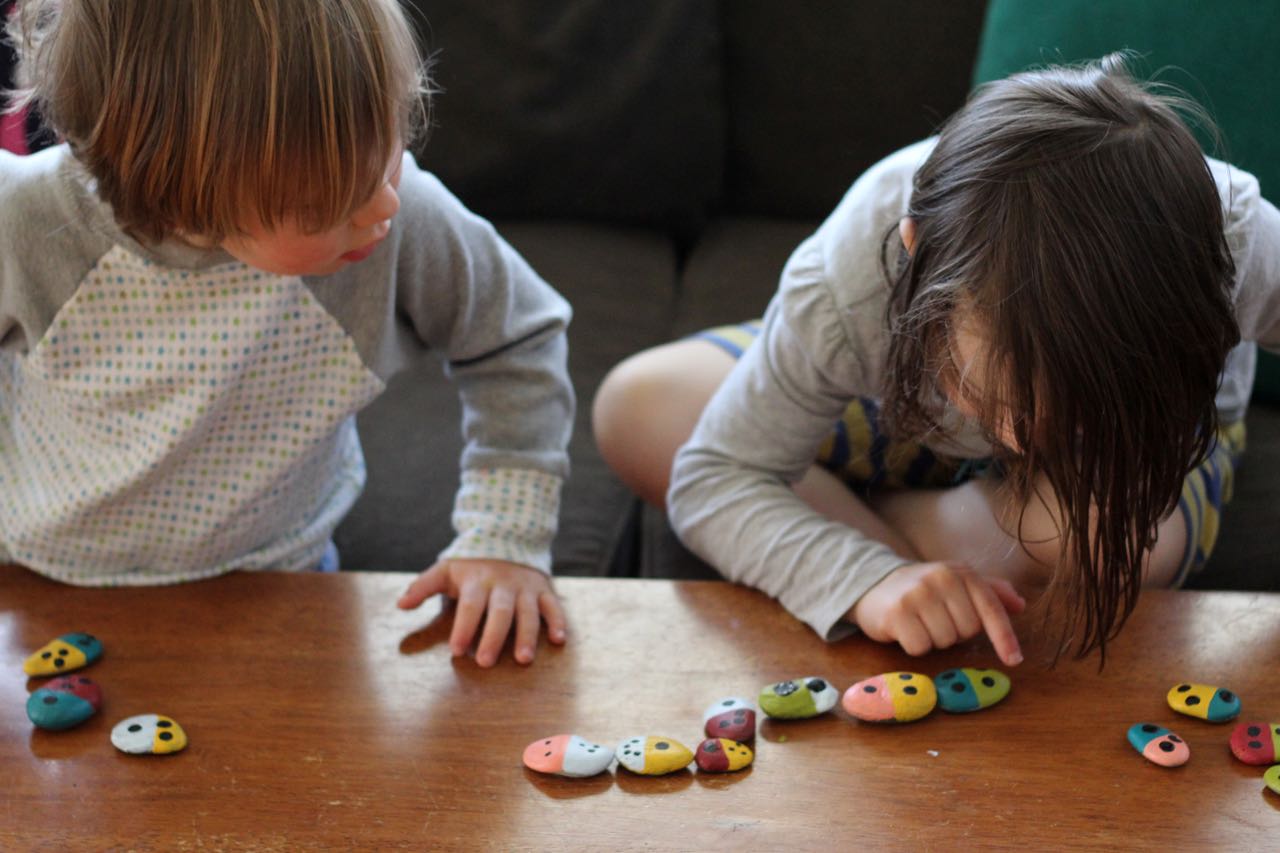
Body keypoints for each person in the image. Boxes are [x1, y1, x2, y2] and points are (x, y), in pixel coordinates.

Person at [593, 54, 1280, 665]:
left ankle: (866, 509)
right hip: (891, 412)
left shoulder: (1234, 238)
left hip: (1099, 475)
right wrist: (866, 577)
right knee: (639, 405)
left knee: (1090, 551)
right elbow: (713, 476)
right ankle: (924, 538)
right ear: (917, 254)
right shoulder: (850, 277)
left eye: (1071, 396)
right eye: (983, 386)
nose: (1020, 438)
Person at [3, 0, 573, 667]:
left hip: (288, 585)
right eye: (321, 201)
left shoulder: (399, 217)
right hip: (35, 581)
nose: (385, 203)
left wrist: (503, 536)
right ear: (171, 183)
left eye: (387, 143)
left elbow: (517, 334)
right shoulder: (25, 224)